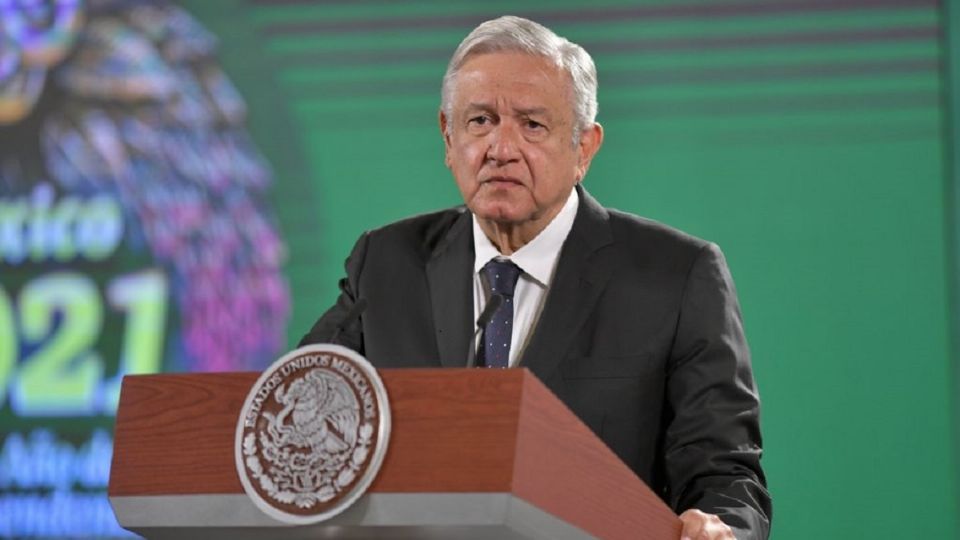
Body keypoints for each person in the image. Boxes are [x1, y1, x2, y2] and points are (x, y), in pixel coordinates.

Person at [301, 15, 770, 539]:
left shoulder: (676, 276)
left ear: (584, 149)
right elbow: (295, 412)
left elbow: (724, 473)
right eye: (480, 121)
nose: (501, 149)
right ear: (447, 136)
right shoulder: (386, 263)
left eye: (532, 125)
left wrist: (718, 528)